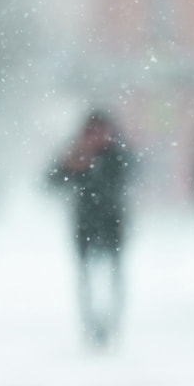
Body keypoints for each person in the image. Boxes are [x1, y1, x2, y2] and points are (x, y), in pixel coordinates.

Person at [47, 109, 132, 348]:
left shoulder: (117, 155)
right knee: (86, 277)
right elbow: (51, 181)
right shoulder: (75, 154)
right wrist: (71, 166)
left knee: (114, 276)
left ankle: (112, 322)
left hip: (112, 224)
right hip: (84, 225)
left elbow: (124, 178)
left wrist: (91, 166)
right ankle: (91, 323)